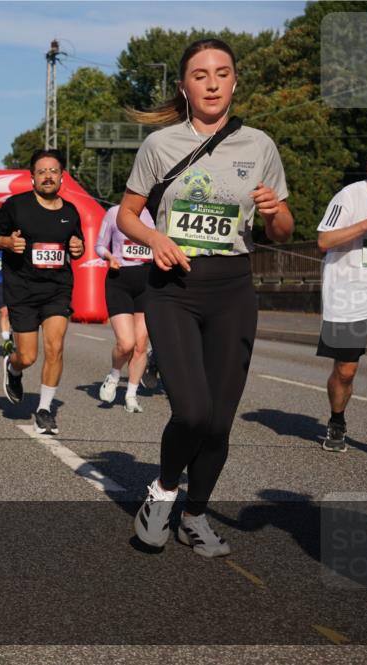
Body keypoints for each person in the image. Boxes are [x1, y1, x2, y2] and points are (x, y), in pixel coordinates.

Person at [117, 39, 293, 556]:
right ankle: (164, 491)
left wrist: (272, 211)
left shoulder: (260, 146)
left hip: (233, 289)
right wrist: (156, 239)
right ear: (183, 87)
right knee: (191, 411)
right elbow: (128, 213)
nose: (212, 83)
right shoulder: (160, 145)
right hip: (174, 289)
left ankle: (196, 515)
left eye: (222, 73)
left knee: (219, 421)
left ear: (235, 82)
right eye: (200, 75)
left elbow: (283, 230)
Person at [0, 149, 85, 436]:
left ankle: (44, 410)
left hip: (57, 289)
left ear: (62, 177)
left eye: (53, 171)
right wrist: (6, 241)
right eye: (41, 172)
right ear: (32, 179)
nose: (47, 176)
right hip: (23, 289)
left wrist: (78, 248)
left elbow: (78, 245)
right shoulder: (16, 206)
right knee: (27, 356)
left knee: (55, 347)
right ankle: (13, 369)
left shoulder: (70, 211)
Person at [315, 142, 367, 458]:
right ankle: (337, 421)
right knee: (346, 371)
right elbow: (323, 240)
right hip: (346, 296)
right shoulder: (348, 197)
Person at [94, 204, 156, 412]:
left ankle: (131, 395)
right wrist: (109, 257)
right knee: (126, 343)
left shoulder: (156, 215)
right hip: (119, 280)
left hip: (148, 282)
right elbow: (99, 245)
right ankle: (113, 375)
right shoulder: (114, 213)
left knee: (140, 345)